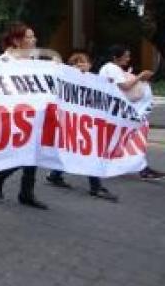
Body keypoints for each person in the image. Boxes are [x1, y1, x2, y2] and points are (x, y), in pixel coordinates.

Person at [0, 23, 48, 209]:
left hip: (33, 112)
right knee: (26, 150)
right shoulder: (4, 61)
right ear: (16, 40)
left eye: (33, 36)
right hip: (15, 114)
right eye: (29, 36)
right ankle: (1, 177)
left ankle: (25, 192)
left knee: (34, 150)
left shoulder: (32, 59)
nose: (34, 39)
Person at [45, 52, 119, 200]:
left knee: (78, 151)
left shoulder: (95, 81)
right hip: (71, 123)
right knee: (87, 152)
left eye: (83, 62)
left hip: (87, 124)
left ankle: (55, 174)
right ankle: (95, 186)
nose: (80, 65)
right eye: (75, 63)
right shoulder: (66, 81)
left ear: (90, 65)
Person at [98, 45, 163, 181]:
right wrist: (140, 76)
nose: (128, 59)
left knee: (123, 139)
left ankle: (139, 167)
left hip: (117, 111)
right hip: (117, 112)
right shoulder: (111, 68)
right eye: (126, 56)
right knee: (132, 137)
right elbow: (125, 86)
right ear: (116, 57)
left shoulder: (110, 68)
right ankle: (141, 168)